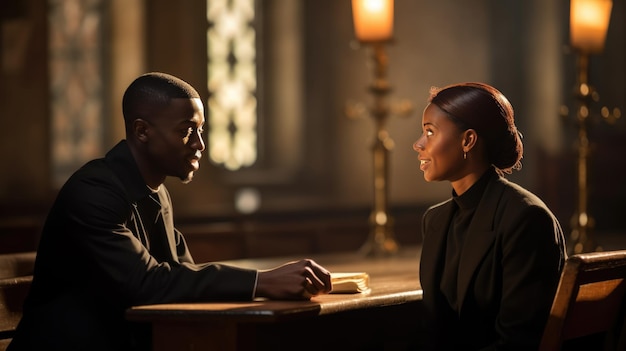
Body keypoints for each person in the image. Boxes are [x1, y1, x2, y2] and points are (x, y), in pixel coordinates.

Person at [8, 72, 332, 351]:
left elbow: (181, 278)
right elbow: (146, 284)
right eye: (186, 131)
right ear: (141, 131)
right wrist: (261, 282)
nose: (200, 144)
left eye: (201, 130)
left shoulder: (158, 192)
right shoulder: (92, 192)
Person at [412, 82, 567, 350]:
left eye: (430, 132)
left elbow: (519, 342)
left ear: (468, 140)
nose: (418, 144)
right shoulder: (434, 220)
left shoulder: (526, 218)